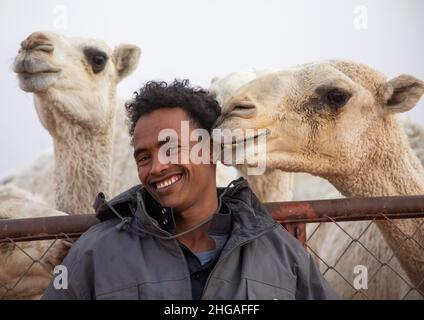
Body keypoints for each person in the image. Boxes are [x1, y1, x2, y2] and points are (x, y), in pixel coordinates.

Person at [42, 79, 338, 300]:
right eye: (144, 157)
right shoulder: (97, 253)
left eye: (171, 149)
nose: (156, 167)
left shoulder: (280, 254)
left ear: (211, 149)